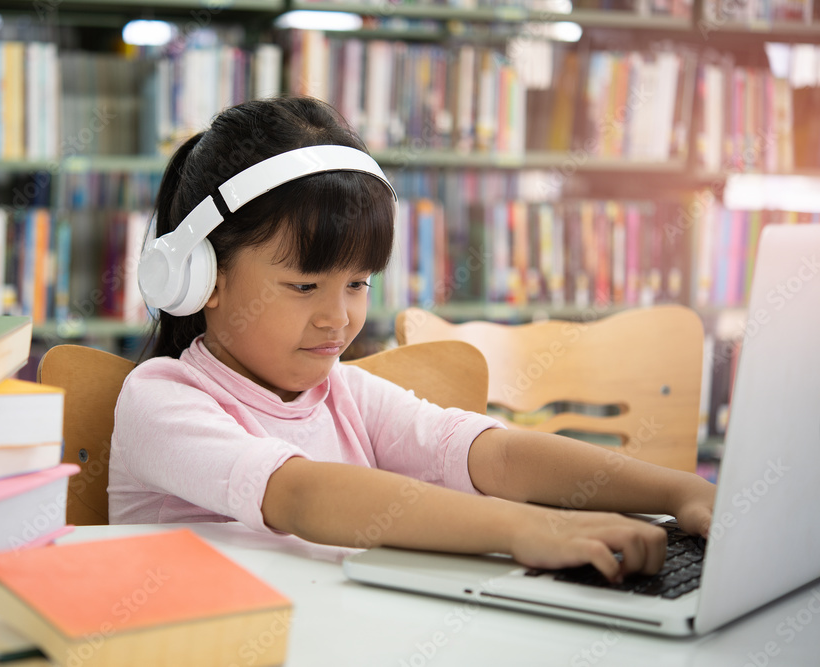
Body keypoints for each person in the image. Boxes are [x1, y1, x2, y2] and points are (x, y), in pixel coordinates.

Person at [109, 96, 716, 583]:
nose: (337, 318)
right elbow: (300, 494)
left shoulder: (345, 392)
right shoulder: (162, 398)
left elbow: (493, 456)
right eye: (303, 286)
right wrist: (525, 530)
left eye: (357, 283)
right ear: (201, 277)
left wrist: (679, 490)